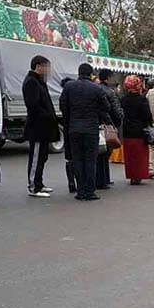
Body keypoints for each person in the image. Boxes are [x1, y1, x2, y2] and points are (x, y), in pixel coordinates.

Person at [60, 63, 110, 200]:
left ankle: (80, 191)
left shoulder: (69, 87)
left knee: (77, 159)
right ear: (91, 74)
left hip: (74, 128)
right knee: (90, 160)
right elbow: (106, 107)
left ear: (79, 72)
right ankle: (89, 191)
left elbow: (62, 105)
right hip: (91, 129)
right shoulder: (96, 89)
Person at [23, 55, 60, 198]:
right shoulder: (31, 82)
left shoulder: (39, 81)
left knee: (42, 157)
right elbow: (33, 106)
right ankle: (33, 186)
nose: (48, 70)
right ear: (38, 66)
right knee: (36, 157)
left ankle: (39, 183)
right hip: (37, 127)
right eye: (46, 67)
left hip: (44, 127)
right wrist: (47, 116)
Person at [120, 75, 153, 185]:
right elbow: (147, 115)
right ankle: (138, 176)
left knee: (130, 155)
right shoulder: (141, 99)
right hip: (139, 130)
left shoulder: (123, 99)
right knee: (140, 155)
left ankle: (131, 175)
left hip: (127, 130)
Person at [96, 69, 123, 190]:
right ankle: (103, 180)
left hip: (96, 124)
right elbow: (116, 111)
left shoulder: (95, 89)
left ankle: (102, 179)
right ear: (107, 79)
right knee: (105, 152)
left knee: (99, 153)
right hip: (108, 125)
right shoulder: (110, 92)